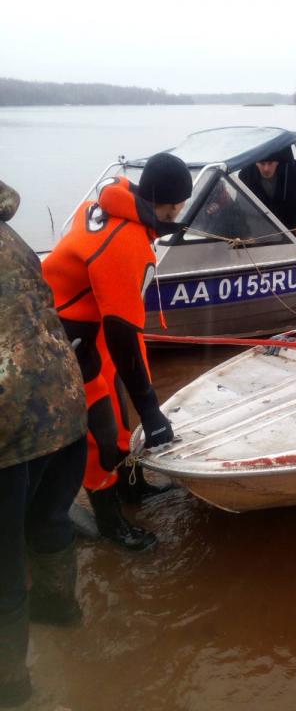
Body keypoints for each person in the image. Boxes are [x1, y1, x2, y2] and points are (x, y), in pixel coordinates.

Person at [42, 153, 192, 552]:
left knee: (119, 411)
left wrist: (141, 402)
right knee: (102, 434)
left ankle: (132, 489)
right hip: (70, 336)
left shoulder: (116, 200)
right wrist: (152, 412)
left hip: (91, 321)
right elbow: (123, 335)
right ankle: (111, 525)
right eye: (180, 207)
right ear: (172, 205)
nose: (179, 213)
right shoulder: (127, 242)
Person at [0, 180, 88, 707]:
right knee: (48, 520)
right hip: (63, 402)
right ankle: (60, 612)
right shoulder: (10, 235)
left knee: (3, 567)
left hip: (8, 424)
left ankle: (10, 687)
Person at [238, 146, 296, 229]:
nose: (266, 169)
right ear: (256, 163)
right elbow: (240, 203)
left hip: (295, 227)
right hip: (262, 229)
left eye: (270, 163)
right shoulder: (246, 175)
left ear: (277, 162)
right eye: (262, 163)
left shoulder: (292, 169)